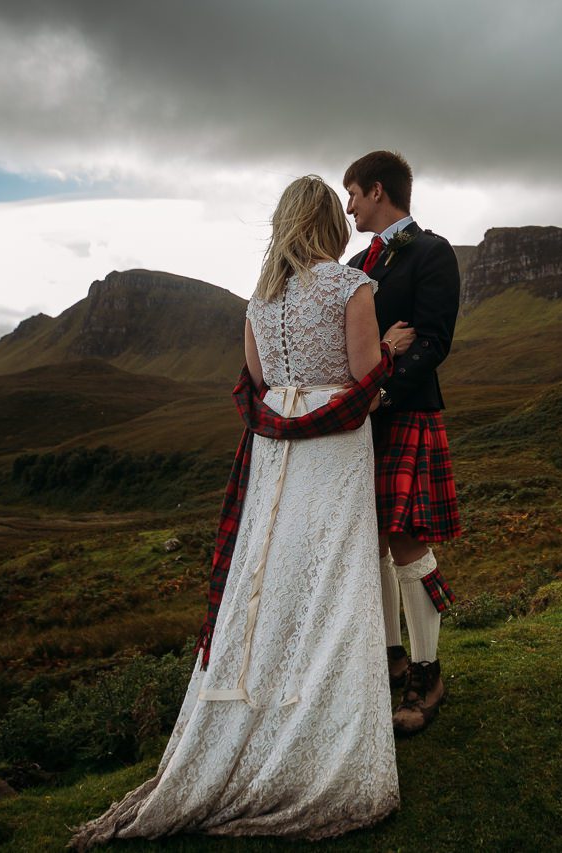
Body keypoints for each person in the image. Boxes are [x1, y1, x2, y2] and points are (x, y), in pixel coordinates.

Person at [68, 175, 415, 848]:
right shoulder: (351, 288)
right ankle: (326, 742)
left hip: (274, 454)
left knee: (269, 582)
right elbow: (366, 388)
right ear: (328, 224)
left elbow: (257, 384)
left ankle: (258, 717)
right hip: (335, 454)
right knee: (334, 585)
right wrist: (392, 357)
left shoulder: (260, 299)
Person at [344, 150, 462, 736]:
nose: (349, 207)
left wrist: (383, 394)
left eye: (354, 195)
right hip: (363, 418)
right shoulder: (356, 261)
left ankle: (427, 672)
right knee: (373, 537)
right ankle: (389, 657)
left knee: (406, 536)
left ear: (379, 190)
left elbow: (435, 341)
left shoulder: (432, 252)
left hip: (403, 409)